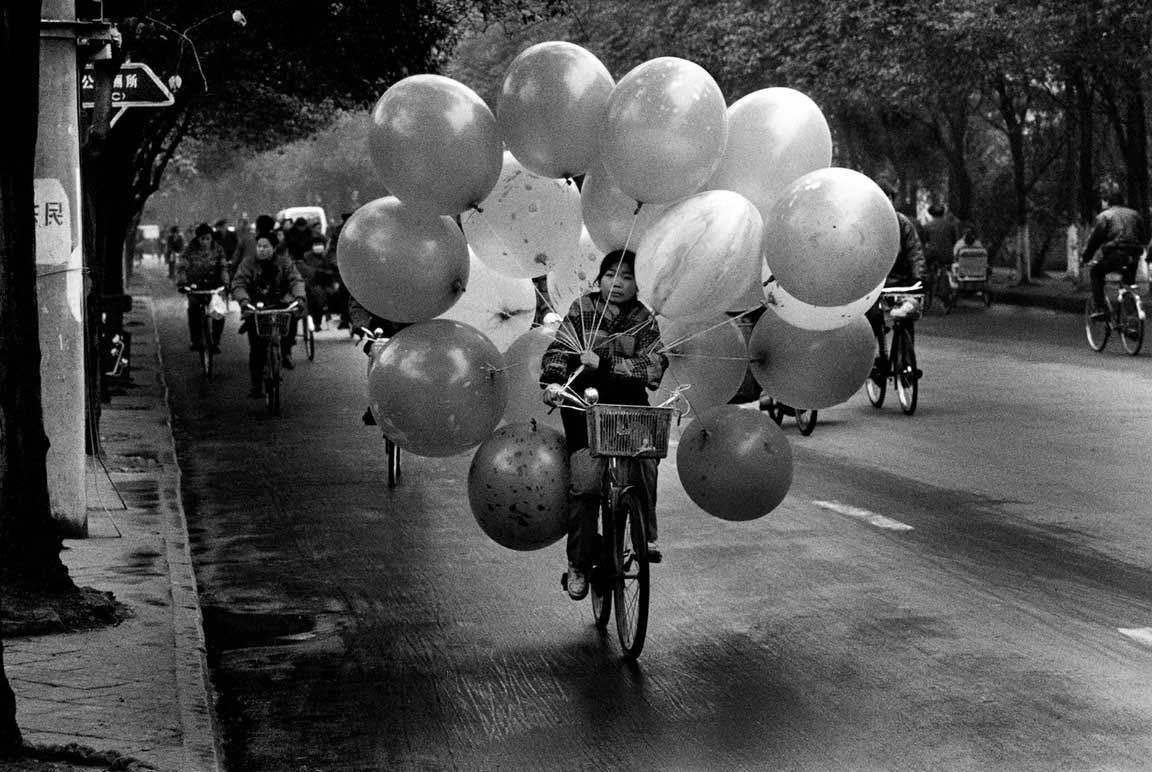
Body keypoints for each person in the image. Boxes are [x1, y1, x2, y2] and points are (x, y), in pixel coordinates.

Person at [540, 249, 668, 601]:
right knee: (586, 486)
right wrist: (552, 382)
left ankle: (647, 537)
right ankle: (579, 564)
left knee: (646, 462)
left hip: (629, 406)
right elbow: (558, 350)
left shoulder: (644, 319)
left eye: (627, 277)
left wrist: (606, 362)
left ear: (637, 285)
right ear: (600, 278)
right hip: (585, 405)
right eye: (612, 274)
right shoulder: (583, 309)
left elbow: (655, 367)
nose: (619, 282)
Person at [230, 233, 306, 398]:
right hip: (255, 306)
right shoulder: (248, 263)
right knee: (256, 347)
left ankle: (286, 352)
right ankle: (256, 384)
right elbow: (238, 283)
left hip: (279, 303)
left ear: (274, 248)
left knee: (292, 318)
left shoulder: (284, 263)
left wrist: (299, 297)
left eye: (266, 247)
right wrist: (244, 301)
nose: (262, 250)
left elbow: (296, 281)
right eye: (259, 246)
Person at [1081, 187, 1150, 320]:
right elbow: (1143, 236)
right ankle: (1133, 323)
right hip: (1134, 256)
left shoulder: (1105, 216)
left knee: (1096, 272)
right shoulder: (1135, 215)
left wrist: (1085, 258)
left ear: (1108, 202)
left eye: (1103, 200)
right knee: (1128, 285)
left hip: (1116, 255)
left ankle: (1100, 309)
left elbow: (1094, 241)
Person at [175, 222, 230, 354]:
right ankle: (195, 340)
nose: (205, 242)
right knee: (193, 308)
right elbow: (182, 267)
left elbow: (223, 267)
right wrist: (183, 282)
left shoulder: (218, 249)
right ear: (198, 239)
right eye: (202, 239)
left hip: (214, 285)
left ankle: (215, 342)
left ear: (211, 238)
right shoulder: (189, 250)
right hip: (195, 285)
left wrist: (226, 283)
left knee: (219, 313)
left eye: (208, 239)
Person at [297, 234, 339, 330]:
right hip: (314, 284)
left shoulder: (328, 256)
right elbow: (308, 272)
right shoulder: (307, 257)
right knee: (317, 294)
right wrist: (319, 272)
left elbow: (334, 269)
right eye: (316, 244)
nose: (318, 246)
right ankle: (317, 322)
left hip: (328, 284)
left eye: (320, 244)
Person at [920, 202, 958, 279]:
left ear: (931, 214)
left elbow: (923, 242)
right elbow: (954, 241)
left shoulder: (927, 226)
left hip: (933, 256)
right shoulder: (950, 226)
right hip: (948, 256)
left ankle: (927, 281)